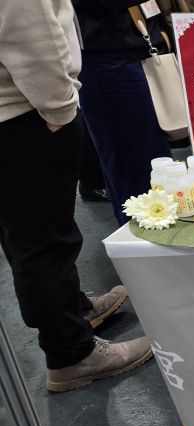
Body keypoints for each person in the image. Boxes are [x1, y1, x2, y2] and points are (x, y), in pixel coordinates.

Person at [0, 0, 152, 392]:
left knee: (28, 235)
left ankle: (72, 312)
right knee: (44, 240)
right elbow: (29, 33)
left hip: (16, 109)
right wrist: (61, 108)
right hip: (23, 113)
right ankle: (71, 353)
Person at [73, 0, 173, 225]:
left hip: (134, 46)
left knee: (153, 158)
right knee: (132, 162)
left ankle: (158, 229)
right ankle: (140, 236)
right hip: (107, 55)